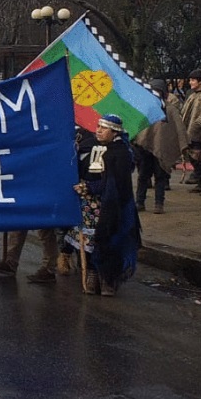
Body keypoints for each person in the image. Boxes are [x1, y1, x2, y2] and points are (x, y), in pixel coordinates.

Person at [72, 115, 142, 296]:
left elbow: (113, 182)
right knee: (90, 240)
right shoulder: (89, 147)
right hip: (90, 203)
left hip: (113, 205)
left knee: (110, 239)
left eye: (104, 128)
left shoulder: (121, 153)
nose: (99, 131)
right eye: (98, 127)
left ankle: (108, 279)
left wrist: (89, 187)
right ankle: (93, 274)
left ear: (115, 132)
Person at [134, 79, 188, 215]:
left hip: (163, 148)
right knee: (143, 176)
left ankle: (159, 203)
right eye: (152, 91)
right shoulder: (143, 107)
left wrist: (184, 145)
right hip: (144, 148)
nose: (155, 94)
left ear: (164, 92)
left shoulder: (170, 109)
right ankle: (139, 202)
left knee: (160, 177)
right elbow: (137, 127)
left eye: (158, 91)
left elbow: (179, 129)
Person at [180, 69, 201, 194]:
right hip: (190, 132)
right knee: (194, 158)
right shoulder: (193, 95)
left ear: (200, 82)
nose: (190, 82)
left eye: (193, 80)